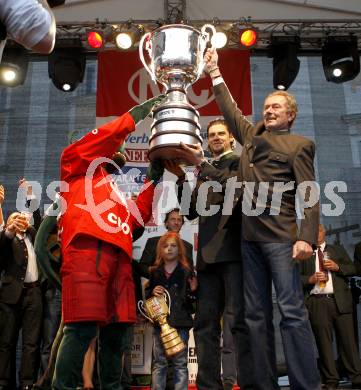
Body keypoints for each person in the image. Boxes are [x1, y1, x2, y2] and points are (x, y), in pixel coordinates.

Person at [197, 47, 321, 390]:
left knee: (292, 314)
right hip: (249, 240)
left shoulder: (299, 145)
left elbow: (309, 192)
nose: (269, 109)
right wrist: (215, 73)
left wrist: (305, 238)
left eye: (277, 106)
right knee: (254, 317)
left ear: (290, 115)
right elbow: (230, 111)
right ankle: (262, 385)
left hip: (281, 238)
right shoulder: (251, 137)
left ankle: (305, 384)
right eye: (267, 105)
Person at [52, 95, 165, 390]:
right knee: (81, 328)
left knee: (119, 333)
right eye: (116, 146)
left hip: (121, 259)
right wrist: (134, 116)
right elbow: (103, 139)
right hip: (86, 250)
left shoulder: (113, 189)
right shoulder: (74, 164)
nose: (120, 149)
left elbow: (136, 220)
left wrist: (153, 181)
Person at [165, 118, 252, 390]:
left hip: (235, 254)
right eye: (211, 134)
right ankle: (208, 385)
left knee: (238, 323)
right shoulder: (203, 171)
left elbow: (235, 189)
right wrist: (181, 180)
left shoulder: (240, 162)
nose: (215, 138)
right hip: (208, 259)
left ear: (231, 139)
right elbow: (191, 211)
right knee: (204, 326)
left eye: (220, 134)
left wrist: (203, 165)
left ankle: (246, 382)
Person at [300, 224, 361, 390]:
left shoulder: (337, 250)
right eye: (313, 230)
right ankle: (331, 380)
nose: (317, 234)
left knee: (348, 342)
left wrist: (338, 267)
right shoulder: (304, 253)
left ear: (324, 232)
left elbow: (354, 268)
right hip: (317, 302)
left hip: (339, 300)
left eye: (319, 230)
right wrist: (310, 279)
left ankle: (356, 377)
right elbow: (294, 279)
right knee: (324, 344)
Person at [0, 181, 42, 390]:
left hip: (34, 295)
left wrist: (30, 194)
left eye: (23, 217)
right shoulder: (6, 240)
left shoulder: (34, 236)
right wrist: (7, 231)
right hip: (10, 296)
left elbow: (38, 216)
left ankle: (27, 383)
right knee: (7, 342)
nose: (20, 220)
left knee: (31, 343)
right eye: (15, 218)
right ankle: (3, 382)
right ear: (9, 223)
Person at [146, 231, 197, 390]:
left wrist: (193, 291)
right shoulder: (155, 272)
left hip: (181, 322)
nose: (169, 249)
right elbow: (148, 299)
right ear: (160, 250)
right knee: (159, 362)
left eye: (173, 246)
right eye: (165, 246)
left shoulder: (186, 272)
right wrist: (153, 292)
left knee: (180, 363)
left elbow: (192, 303)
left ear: (180, 250)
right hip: (160, 326)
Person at [138, 208, 194, 278]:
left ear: (182, 224)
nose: (176, 222)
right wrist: (158, 274)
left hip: (180, 287)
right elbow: (142, 268)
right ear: (166, 223)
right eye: (173, 219)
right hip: (157, 286)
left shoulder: (188, 246)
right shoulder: (153, 242)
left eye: (179, 220)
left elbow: (191, 273)